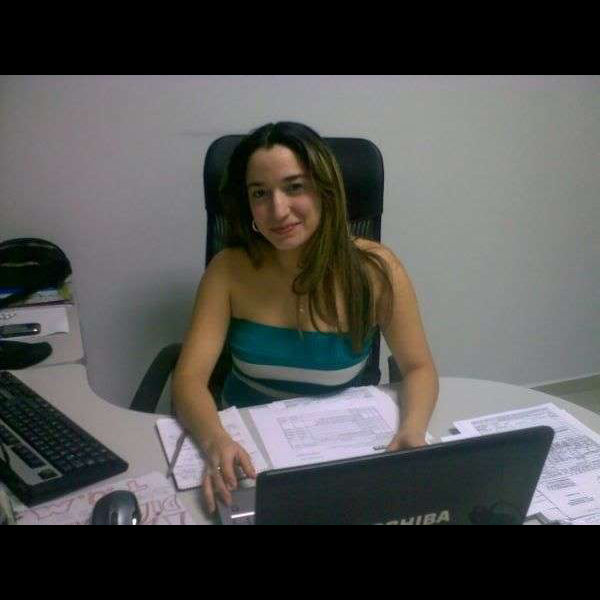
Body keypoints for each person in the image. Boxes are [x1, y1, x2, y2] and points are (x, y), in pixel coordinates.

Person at [172, 122, 438, 514]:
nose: (278, 210)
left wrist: (412, 431)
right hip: (247, 457)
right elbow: (189, 378)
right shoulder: (228, 269)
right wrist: (216, 441)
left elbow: (418, 368)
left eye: (295, 187)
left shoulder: (375, 270)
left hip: (340, 451)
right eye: (260, 193)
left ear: (325, 190)